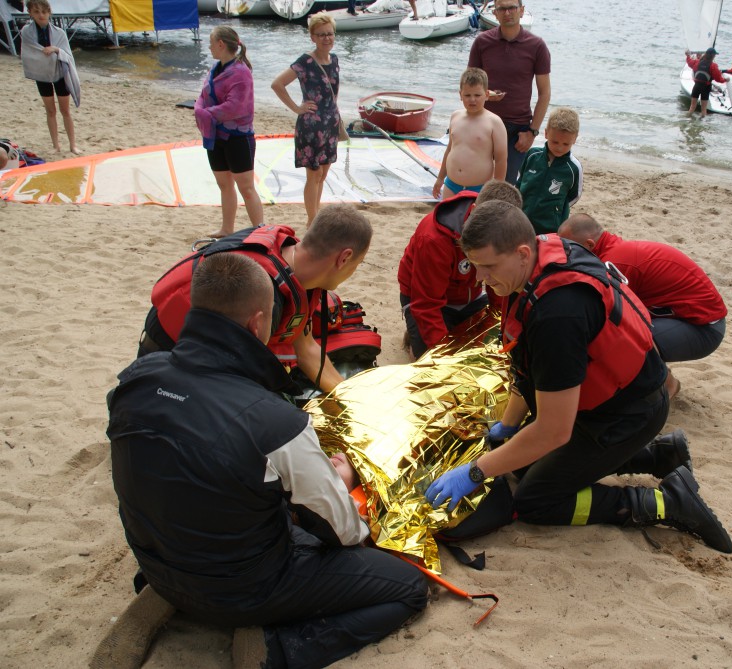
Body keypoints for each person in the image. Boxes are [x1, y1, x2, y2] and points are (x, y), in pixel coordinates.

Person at [102, 253, 427, 669]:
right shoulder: (274, 422)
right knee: (406, 587)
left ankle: (165, 595)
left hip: (156, 559)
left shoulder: (135, 379)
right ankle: (278, 650)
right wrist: (337, 481)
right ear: (258, 323)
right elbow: (343, 533)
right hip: (243, 590)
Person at [424, 201, 732, 554]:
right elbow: (526, 366)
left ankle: (669, 502)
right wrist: (507, 428)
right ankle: (659, 455)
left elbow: (554, 431)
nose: (481, 278)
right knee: (520, 463)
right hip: (607, 401)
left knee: (534, 500)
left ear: (523, 252)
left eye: (488, 266)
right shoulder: (545, 256)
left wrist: (475, 472)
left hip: (627, 415)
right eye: (476, 266)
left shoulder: (558, 314)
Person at [138, 204, 372, 394]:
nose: (355, 270)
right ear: (344, 258)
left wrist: (348, 399)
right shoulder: (265, 298)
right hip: (168, 360)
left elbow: (307, 349)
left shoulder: (293, 262)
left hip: (208, 352)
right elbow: (230, 385)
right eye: (358, 264)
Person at [558, 213, 727, 399]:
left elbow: (611, 318)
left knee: (627, 339)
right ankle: (660, 379)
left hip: (705, 328)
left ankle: (667, 387)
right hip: (685, 318)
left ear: (590, 245)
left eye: (569, 248)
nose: (566, 254)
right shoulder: (615, 250)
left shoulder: (615, 262)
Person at [398, 179, 522, 360]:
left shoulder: (503, 225)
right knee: (431, 361)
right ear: (474, 212)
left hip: (470, 294)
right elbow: (426, 304)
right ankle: (414, 335)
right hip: (425, 299)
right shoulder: (434, 239)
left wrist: (500, 320)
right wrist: (443, 355)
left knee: (494, 346)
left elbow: (497, 283)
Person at [271, 12, 345, 227]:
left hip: (330, 124)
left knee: (322, 174)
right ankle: (312, 219)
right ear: (312, 37)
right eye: (321, 35)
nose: (326, 38)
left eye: (330, 34)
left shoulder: (335, 60)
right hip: (311, 126)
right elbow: (277, 84)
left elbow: (334, 92)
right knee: (313, 174)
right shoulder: (305, 62)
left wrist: (333, 112)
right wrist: (297, 108)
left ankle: (316, 214)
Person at [468, 0, 551, 184]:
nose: (507, 13)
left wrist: (532, 132)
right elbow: (469, 86)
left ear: (521, 11)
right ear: (495, 13)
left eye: (512, 7)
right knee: (477, 179)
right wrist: (487, 95)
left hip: (517, 130)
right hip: (483, 122)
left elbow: (544, 94)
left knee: (504, 185)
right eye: (502, 8)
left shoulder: (537, 46)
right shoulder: (482, 42)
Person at [194, 26, 264, 239]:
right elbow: (203, 95)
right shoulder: (216, 68)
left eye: (211, 42)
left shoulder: (241, 72)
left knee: (246, 187)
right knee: (224, 183)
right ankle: (227, 228)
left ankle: (260, 230)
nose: (209, 47)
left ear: (221, 44)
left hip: (238, 136)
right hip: (216, 134)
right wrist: (200, 110)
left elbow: (236, 107)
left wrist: (207, 113)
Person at [433, 67, 507, 199]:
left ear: (487, 94)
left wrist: (497, 188)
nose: (472, 99)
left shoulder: (494, 122)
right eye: (467, 95)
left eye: (477, 95)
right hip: (451, 184)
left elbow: (501, 159)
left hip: (479, 188)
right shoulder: (455, 116)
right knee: (448, 219)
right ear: (460, 95)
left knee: (475, 220)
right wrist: (440, 179)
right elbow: (450, 149)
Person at [20, 0, 79, 154]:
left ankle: (73, 145)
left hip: (60, 74)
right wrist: (46, 53)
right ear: (30, 13)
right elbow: (29, 52)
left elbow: (68, 56)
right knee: (50, 111)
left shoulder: (59, 32)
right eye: (37, 12)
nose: (41, 15)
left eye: (44, 12)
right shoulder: (27, 31)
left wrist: (56, 49)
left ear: (49, 12)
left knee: (65, 111)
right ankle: (56, 146)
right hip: (41, 74)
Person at [517, 106, 582, 234]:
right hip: (522, 219)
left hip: (550, 228)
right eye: (555, 141)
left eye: (565, 144)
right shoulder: (532, 155)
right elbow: (519, 181)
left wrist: (556, 211)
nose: (559, 148)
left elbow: (574, 196)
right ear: (546, 133)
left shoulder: (573, 167)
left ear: (574, 139)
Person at [685, 47, 726, 117]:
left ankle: (687, 119)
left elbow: (689, 63)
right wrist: (725, 80)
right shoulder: (713, 66)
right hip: (705, 88)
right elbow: (718, 79)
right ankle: (702, 125)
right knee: (703, 109)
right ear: (713, 56)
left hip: (696, 86)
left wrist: (688, 56)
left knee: (692, 107)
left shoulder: (697, 62)